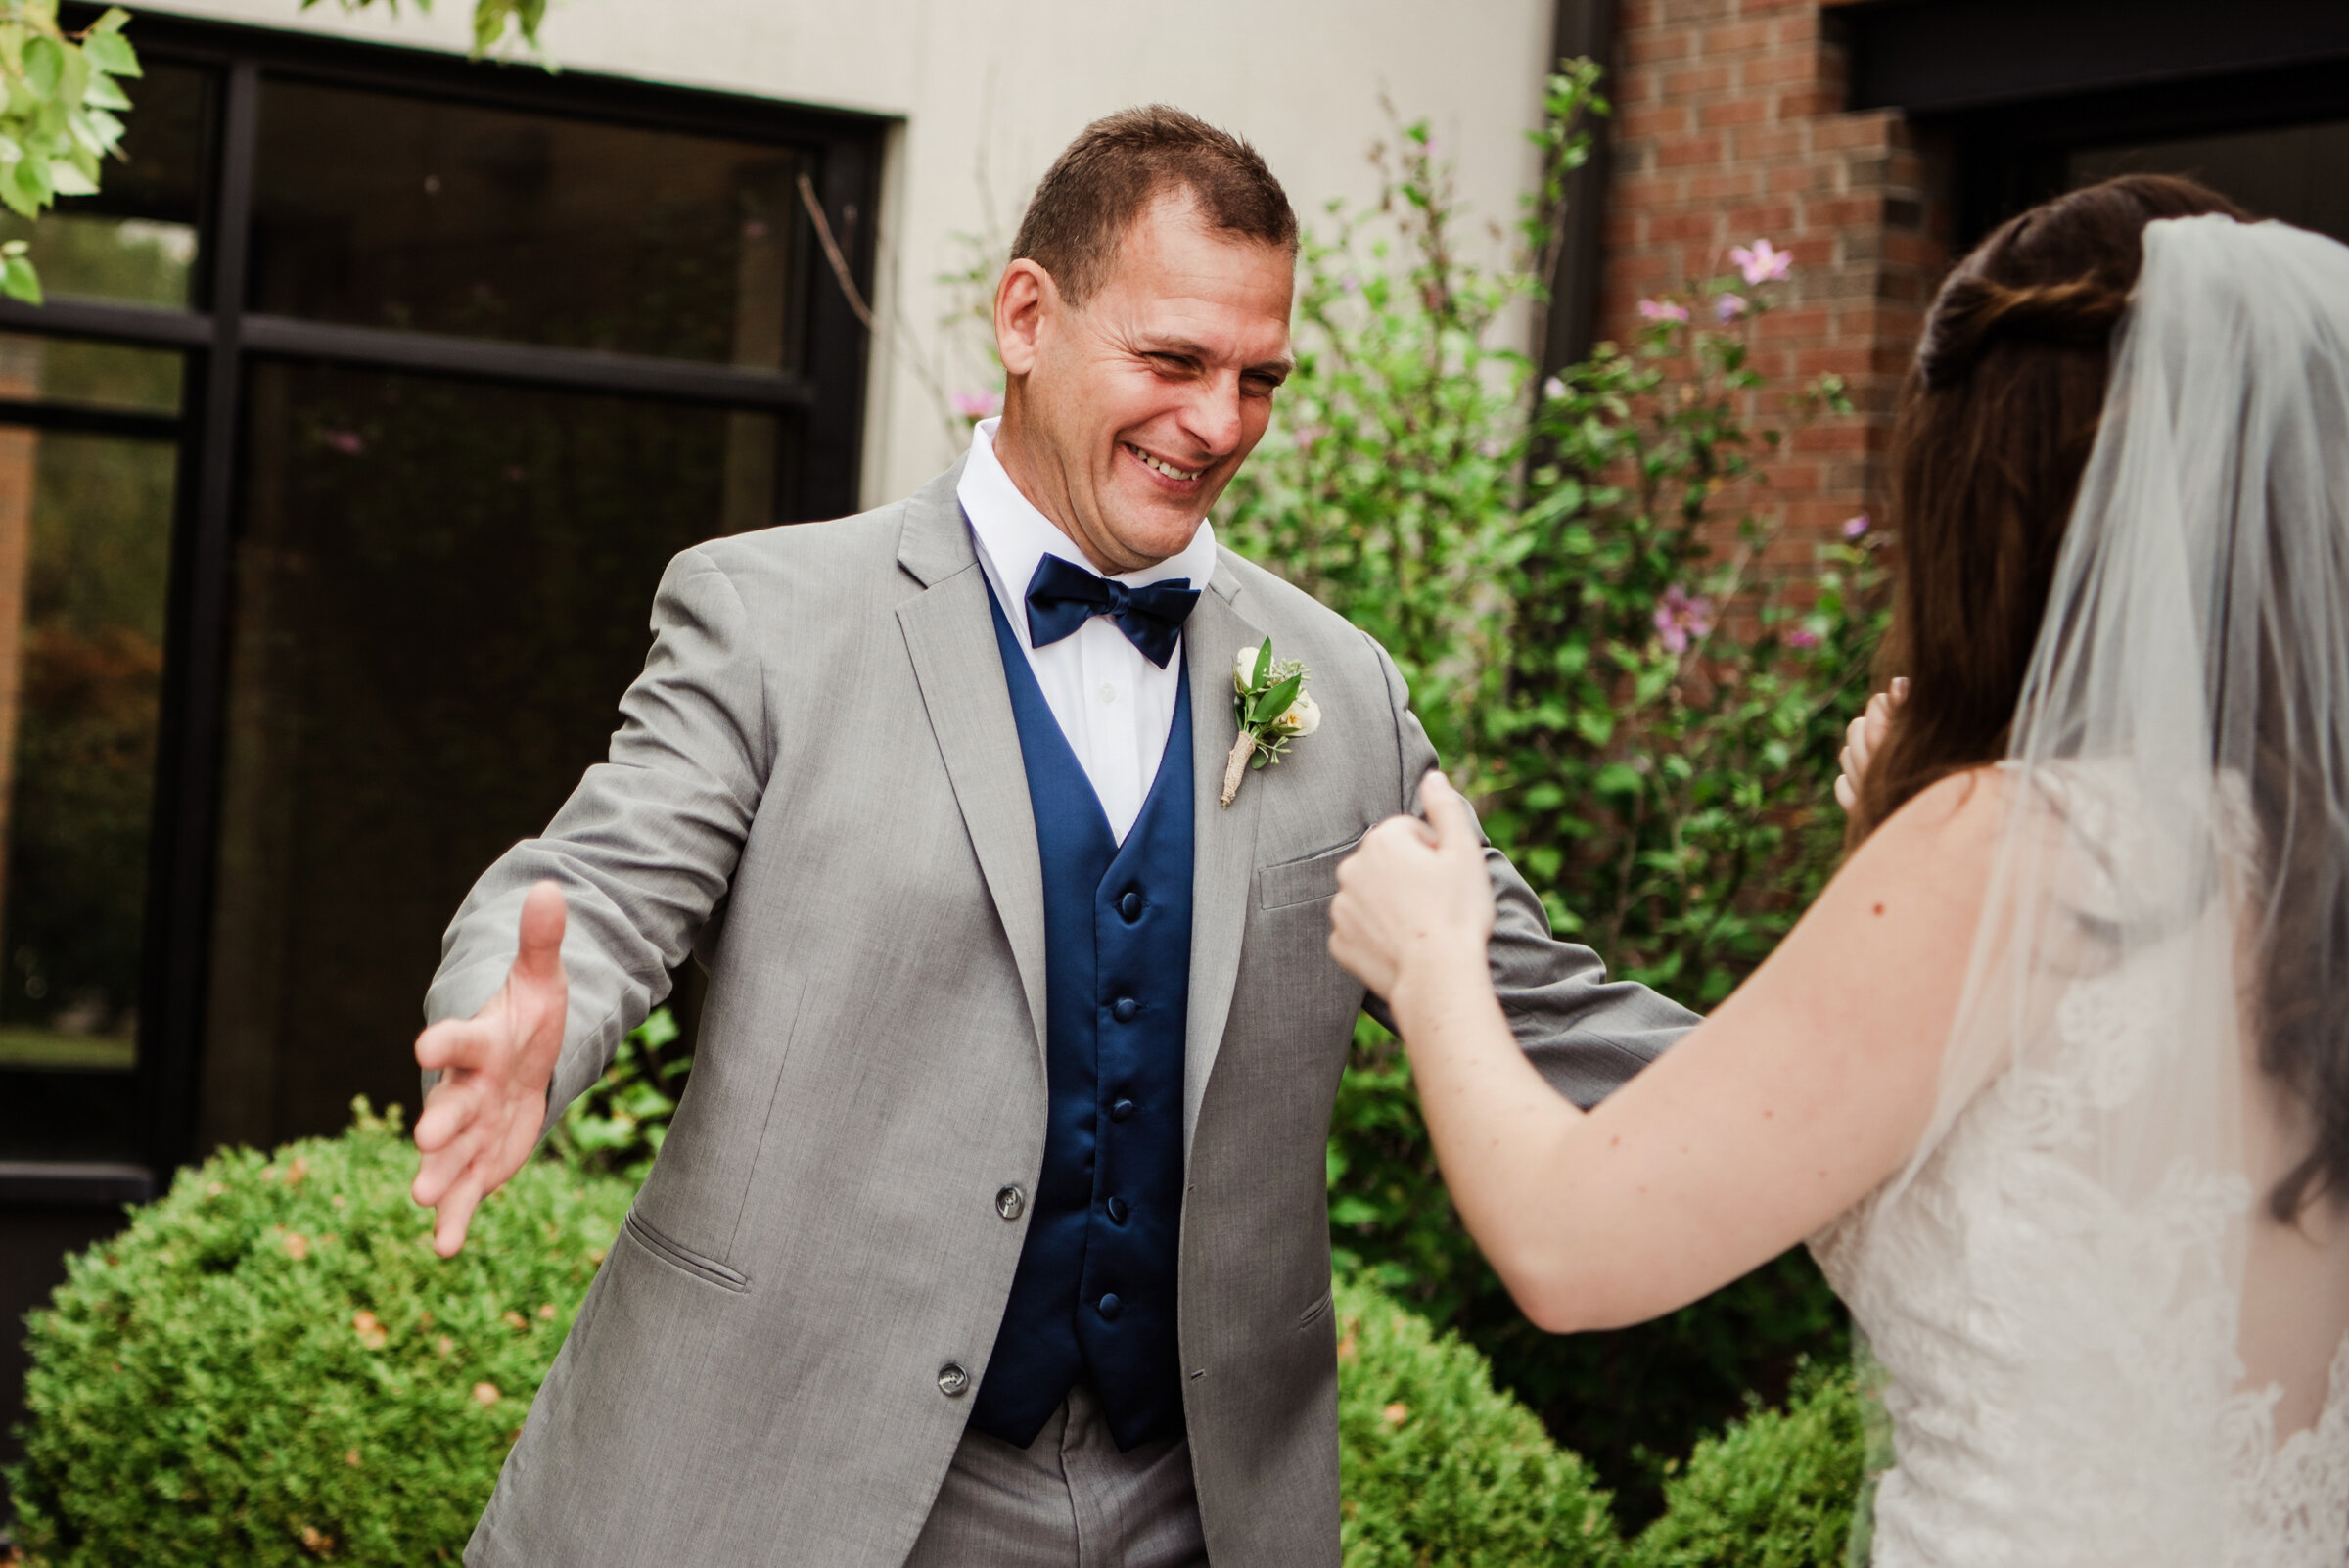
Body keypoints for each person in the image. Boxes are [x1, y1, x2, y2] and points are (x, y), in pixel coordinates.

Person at [410, 105, 1692, 1568]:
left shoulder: (1340, 689)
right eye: (1173, 361)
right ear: (1027, 315)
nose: (1217, 424)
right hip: (801, 1475)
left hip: (1197, 1503)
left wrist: (1867, 1075)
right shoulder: (773, 619)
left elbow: (1537, 1003)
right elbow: (604, 885)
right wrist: (522, 1021)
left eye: (1258, 377)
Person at [1329, 175, 2349, 1565]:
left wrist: (1434, 958)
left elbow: (1571, 1245)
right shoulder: (2304, 868)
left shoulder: (2020, 849)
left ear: (1986, 504)